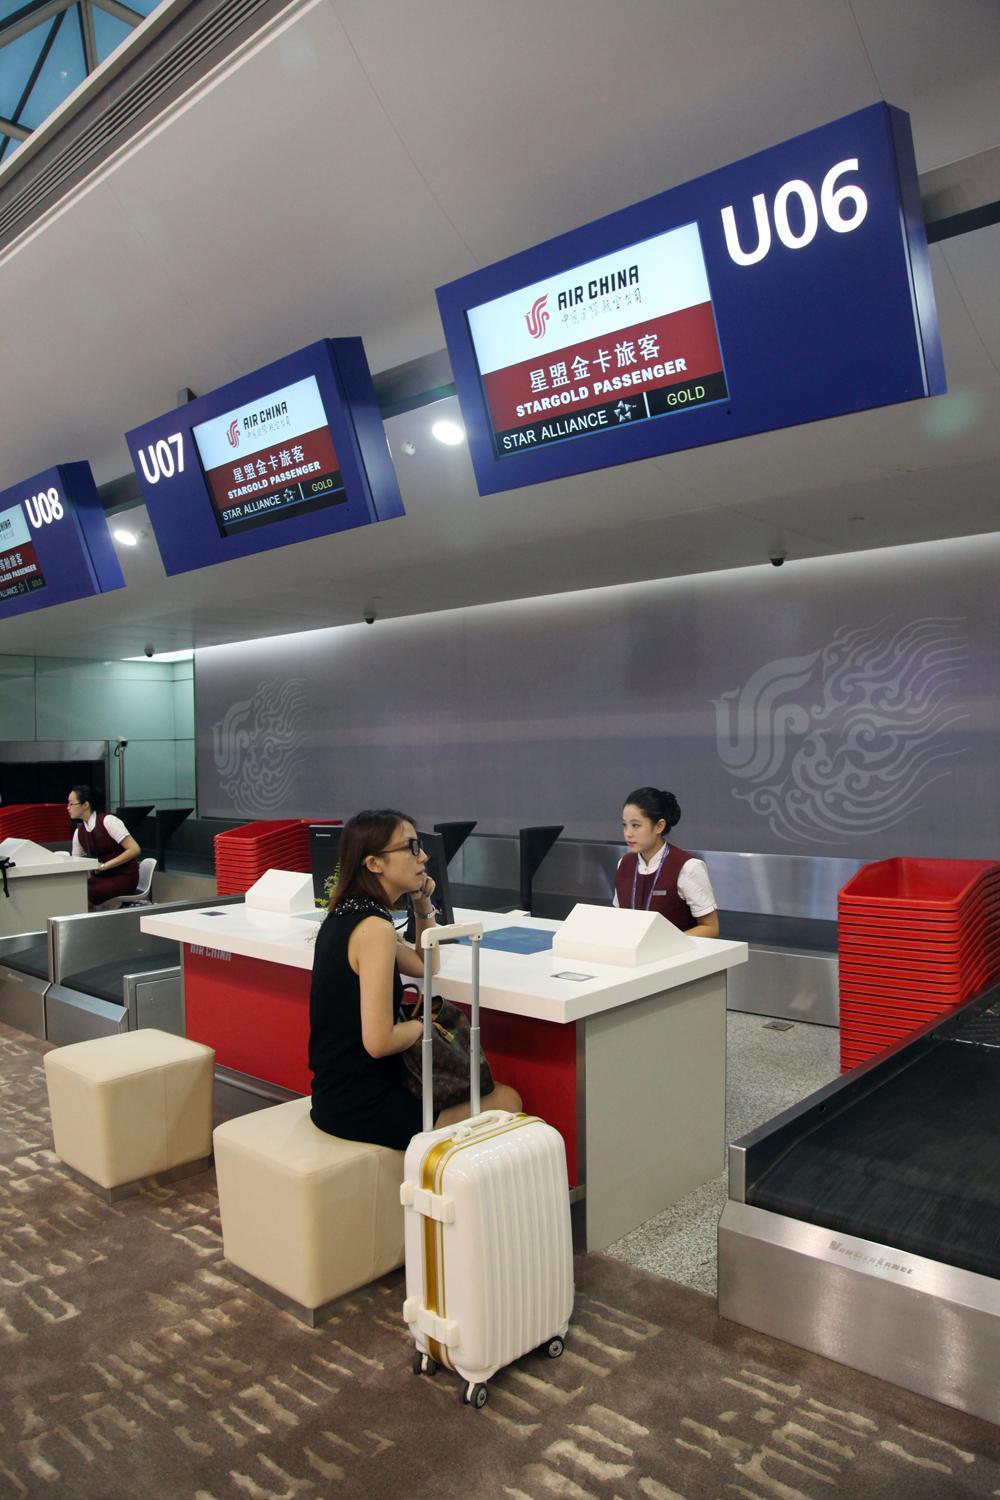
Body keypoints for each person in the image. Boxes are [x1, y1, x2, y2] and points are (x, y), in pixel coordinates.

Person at [309, 809, 521, 1150]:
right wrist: (422, 1027)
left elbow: (426, 963)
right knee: (507, 1101)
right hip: (360, 1104)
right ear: (374, 863)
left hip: (337, 1092)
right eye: (410, 847)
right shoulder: (373, 929)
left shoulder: (350, 915)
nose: (422, 856)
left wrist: (422, 901)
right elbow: (379, 1042)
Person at [614, 786, 720, 938]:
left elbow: (710, 928)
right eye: (625, 825)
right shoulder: (624, 864)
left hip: (676, 951)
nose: (628, 833)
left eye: (635, 825)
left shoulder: (688, 867)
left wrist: (667, 944)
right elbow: (618, 918)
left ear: (659, 826)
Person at [68, 785, 141, 908]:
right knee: (74, 890)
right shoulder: (79, 832)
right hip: (102, 877)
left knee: (85, 893)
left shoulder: (108, 821)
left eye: (71, 804)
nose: (67, 807)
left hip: (124, 876)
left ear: (85, 805)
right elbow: (76, 863)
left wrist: (104, 866)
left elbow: (134, 849)